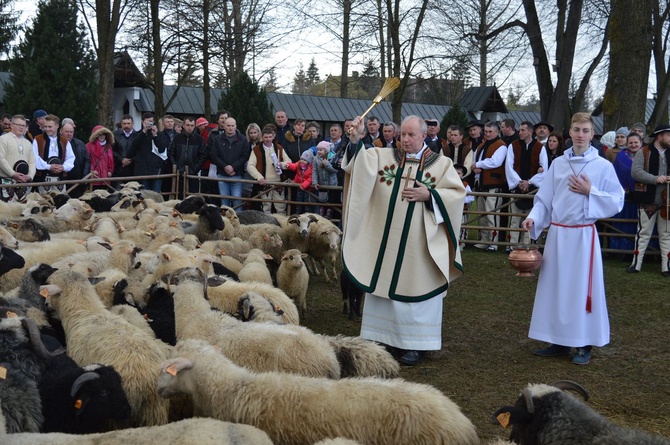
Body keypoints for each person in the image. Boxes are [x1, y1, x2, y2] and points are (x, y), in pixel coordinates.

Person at [341, 114, 465, 366]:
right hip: (386, 241)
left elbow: (456, 195)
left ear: (423, 136)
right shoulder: (384, 157)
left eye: (411, 135)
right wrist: (356, 139)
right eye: (402, 135)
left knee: (417, 285)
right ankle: (382, 338)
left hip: (419, 243)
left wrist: (429, 195)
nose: (405, 140)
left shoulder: (441, 165)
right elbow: (360, 167)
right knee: (383, 285)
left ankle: (415, 344)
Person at [522, 112, 624, 365]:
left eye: (585, 131)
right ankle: (558, 340)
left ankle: (584, 344)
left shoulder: (602, 166)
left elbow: (617, 200)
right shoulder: (559, 164)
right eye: (576, 129)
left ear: (592, 135)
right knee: (556, 287)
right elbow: (545, 198)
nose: (580, 135)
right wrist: (534, 217)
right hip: (558, 234)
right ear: (570, 132)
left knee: (581, 290)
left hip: (582, 237)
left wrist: (592, 191)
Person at [627, 124, 670, 276]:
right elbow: (636, 172)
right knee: (643, 232)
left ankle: (667, 266)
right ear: (659, 136)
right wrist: (655, 179)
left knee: (666, 233)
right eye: (668, 135)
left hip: (667, 201)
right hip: (648, 198)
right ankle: (636, 264)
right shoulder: (643, 152)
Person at [505, 121, 547, 248]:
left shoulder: (540, 147)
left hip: (533, 189)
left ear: (530, 131)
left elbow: (544, 168)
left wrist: (530, 182)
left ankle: (526, 244)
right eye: (519, 130)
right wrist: (519, 182)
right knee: (515, 218)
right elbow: (509, 166)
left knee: (529, 217)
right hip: (517, 187)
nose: (520, 132)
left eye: (523, 130)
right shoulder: (513, 146)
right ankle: (512, 245)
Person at [472, 121, 507, 251]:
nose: (487, 134)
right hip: (480, 183)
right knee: (482, 215)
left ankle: (494, 242)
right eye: (485, 132)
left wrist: (478, 165)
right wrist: (475, 167)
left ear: (497, 132)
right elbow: (474, 162)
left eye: (490, 131)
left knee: (492, 214)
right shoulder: (481, 146)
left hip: (494, 184)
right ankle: (484, 240)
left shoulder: (501, 146)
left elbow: (495, 162)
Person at [611, 132, 643, 253]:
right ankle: (622, 250)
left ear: (640, 142)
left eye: (636, 142)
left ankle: (641, 251)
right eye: (631, 142)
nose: (633, 145)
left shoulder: (646, 155)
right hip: (625, 197)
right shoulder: (621, 156)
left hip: (641, 196)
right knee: (624, 223)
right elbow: (615, 173)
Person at [247, 126, 291, 215]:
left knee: (281, 207)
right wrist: (259, 177)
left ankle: (281, 226)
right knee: (266, 207)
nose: (268, 139)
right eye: (266, 137)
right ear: (262, 137)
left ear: (273, 136)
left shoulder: (279, 148)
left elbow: (289, 162)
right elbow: (250, 165)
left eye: (270, 137)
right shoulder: (256, 149)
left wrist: (281, 164)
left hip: (278, 183)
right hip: (264, 182)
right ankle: (267, 227)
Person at [209, 117, 249, 208]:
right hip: (222, 174)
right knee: (224, 200)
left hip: (237, 174)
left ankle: (238, 219)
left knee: (237, 200)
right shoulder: (217, 139)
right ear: (224, 126)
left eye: (232, 125)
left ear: (236, 126)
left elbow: (245, 156)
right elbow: (214, 155)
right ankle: (225, 221)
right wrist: (225, 166)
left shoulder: (243, 140)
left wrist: (233, 167)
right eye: (228, 125)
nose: (230, 128)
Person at [127, 112, 169, 193]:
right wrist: (144, 132)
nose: (149, 124)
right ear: (143, 122)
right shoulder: (137, 134)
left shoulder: (159, 134)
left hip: (156, 171)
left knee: (156, 195)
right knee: (144, 194)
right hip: (142, 171)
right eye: (147, 122)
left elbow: (162, 149)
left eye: (151, 122)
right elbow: (134, 146)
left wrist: (155, 136)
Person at [32, 114, 75, 194]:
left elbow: (70, 157)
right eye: (45, 127)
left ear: (57, 126)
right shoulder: (38, 139)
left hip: (60, 177)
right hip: (43, 177)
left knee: (60, 202)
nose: (47, 129)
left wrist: (63, 167)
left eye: (50, 127)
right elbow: (34, 157)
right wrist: (49, 166)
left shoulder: (64, 141)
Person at [169, 116, 207, 197]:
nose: (189, 127)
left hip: (193, 173)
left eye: (192, 125)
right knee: (178, 196)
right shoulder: (177, 138)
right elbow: (171, 153)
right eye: (187, 125)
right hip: (179, 173)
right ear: (183, 125)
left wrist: (196, 168)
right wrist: (176, 166)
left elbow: (203, 155)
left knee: (192, 197)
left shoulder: (199, 140)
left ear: (195, 126)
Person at [0, 115, 35, 202]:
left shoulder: (28, 143)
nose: (21, 127)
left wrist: (30, 176)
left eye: (23, 125)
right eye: (18, 125)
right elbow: (1, 159)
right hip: (6, 181)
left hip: (24, 183)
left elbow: (32, 162)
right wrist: (13, 174)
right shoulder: (3, 139)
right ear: (11, 125)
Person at [60, 121, 90, 198]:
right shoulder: (56, 143)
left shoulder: (80, 144)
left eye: (71, 132)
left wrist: (85, 177)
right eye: (67, 131)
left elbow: (87, 160)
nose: (69, 134)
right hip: (62, 180)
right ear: (61, 131)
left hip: (77, 180)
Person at [282, 149, 315, 214]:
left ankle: (307, 214)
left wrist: (304, 185)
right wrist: (288, 165)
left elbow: (310, 179)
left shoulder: (311, 169)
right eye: (302, 159)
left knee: (307, 203)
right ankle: (297, 213)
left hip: (308, 189)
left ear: (309, 162)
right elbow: (293, 166)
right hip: (299, 187)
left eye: (305, 160)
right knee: (298, 201)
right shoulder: (299, 164)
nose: (302, 161)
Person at [312, 140, 338, 218]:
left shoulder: (333, 157)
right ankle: (321, 212)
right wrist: (315, 182)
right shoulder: (316, 159)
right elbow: (315, 171)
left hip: (332, 183)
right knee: (322, 199)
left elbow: (335, 170)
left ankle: (329, 213)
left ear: (326, 151)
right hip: (321, 183)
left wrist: (327, 164)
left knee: (331, 199)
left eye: (321, 150)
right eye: (318, 150)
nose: (319, 152)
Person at [112, 114, 138, 186]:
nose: (126, 125)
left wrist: (131, 160)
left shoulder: (138, 136)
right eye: (124, 123)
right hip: (118, 169)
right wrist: (121, 159)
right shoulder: (115, 135)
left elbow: (139, 151)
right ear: (121, 124)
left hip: (133, 169)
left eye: (128, 123)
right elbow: (112, 150)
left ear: (132, 124)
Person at [86, 125, 115, 190]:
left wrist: (110, 170)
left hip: (105, 177)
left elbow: (111, 160)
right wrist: (91, 171)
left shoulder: (108, 146)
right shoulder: (89, 146)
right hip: (94, 175)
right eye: (100, 135)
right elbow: (86, 160)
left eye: (103, 134)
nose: (102, 136)